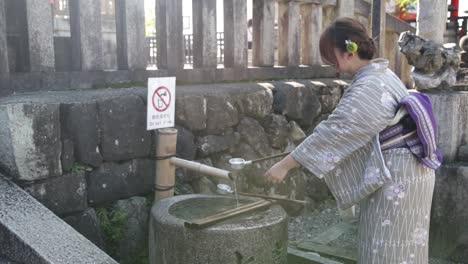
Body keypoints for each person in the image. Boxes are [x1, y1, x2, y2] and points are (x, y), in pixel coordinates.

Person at [264, 17, 442, 263]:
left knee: (385, 250)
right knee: (404, 249)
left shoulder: (370, 85)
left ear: (348, 51)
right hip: (409, 170)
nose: (330, 64)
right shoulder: (381, 74)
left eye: (330, 56)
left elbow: (335, 133)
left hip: (397, 177)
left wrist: (285, 165)